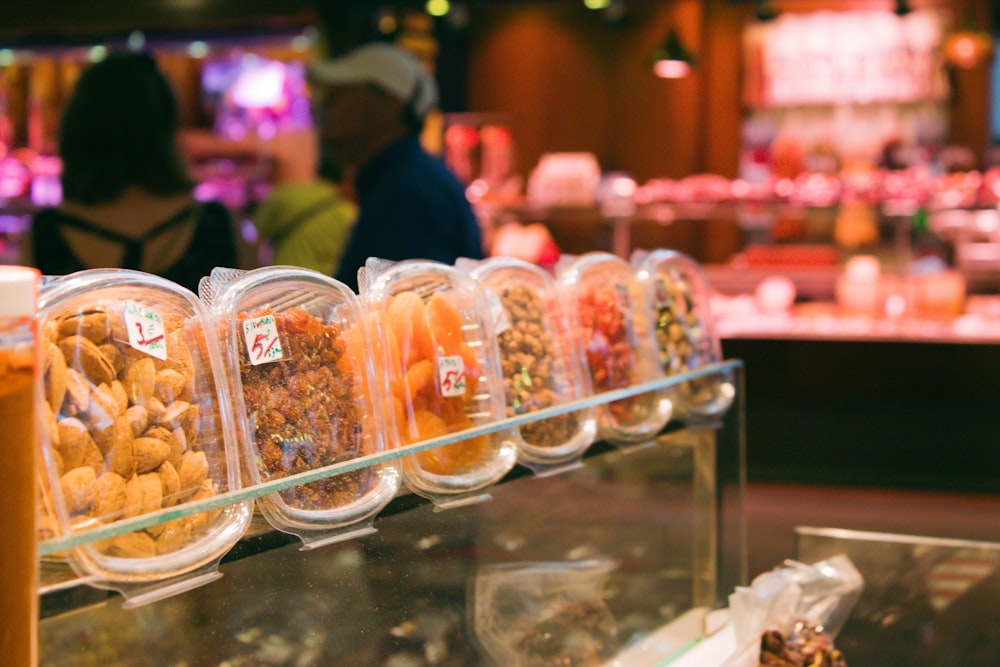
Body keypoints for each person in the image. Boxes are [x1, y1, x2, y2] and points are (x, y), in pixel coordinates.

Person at [25, 52, 239, 294]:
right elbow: (252, 318)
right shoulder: (216, 226)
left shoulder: (45, 235)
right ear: (166, 131)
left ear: (75, 132)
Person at [307, 42, 484, 292]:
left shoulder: (408, 191)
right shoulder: (407, 178)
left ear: (388, 104)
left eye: (337, 97)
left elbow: (414, 315)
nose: (324, 111)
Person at [250, 127, 358, 276]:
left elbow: (251, 237)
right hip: (326, 286)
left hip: (282, 282)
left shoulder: (287, 194)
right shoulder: (350, 212)